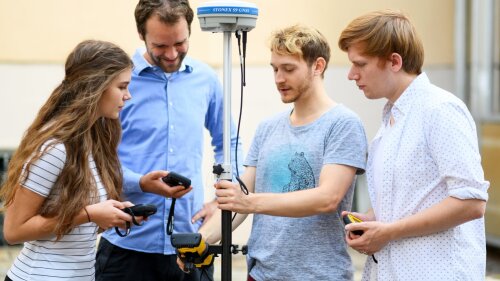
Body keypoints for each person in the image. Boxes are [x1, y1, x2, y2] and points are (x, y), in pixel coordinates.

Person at [195, 24, 367, 281]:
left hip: (319, 275)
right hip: (261, 274)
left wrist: (250, 201)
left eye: (289, 69)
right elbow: (239, 204)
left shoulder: (343, 124)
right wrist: (199, 241)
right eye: (275, 69)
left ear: (317, 66)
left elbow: (327, 198)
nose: (278, 79)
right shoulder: (268, 128)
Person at [338, 9, 490, 281]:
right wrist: (373, 220)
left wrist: (389, 231)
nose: (351, 75)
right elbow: (415, 197)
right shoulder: (393, 116)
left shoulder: (440, 110)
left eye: (360, 64)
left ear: (394, 62)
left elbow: (471, 201)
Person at [95, 0, 242, 280]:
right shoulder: (117, 84)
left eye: (180, 43)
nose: (173, 54)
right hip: (127, 246)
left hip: (191, 245)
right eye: (161, 46)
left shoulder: (206, 79)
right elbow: (98, 159)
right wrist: (138, 182)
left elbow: (230, 142)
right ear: (142, 35)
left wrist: (221, 202)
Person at [0, 39, 135, 281]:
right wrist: (89, 214)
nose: (128, 95)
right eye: (122, 86)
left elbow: (74, 228)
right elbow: (13, 230)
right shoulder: (55, 148)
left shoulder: (93, 141)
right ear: (96, 86)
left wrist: (111, 215)